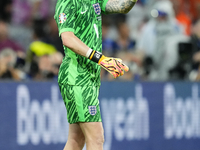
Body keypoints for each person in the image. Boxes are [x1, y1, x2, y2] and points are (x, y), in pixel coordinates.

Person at [54, 0, 138, 150]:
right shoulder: (67, 2)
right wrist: (102, 59)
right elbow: (68, 38)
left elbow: (122, 6)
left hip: (89, 78)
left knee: (76, 140)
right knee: (96, 138)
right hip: (77, 77)